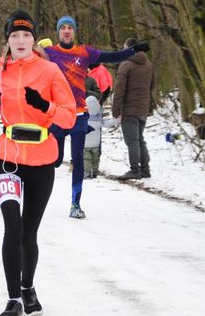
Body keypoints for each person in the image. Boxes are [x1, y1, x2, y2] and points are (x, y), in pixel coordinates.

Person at [0, 10, 75, 316]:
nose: (20, 41)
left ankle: (28, 287)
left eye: (26, 36)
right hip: (7, 159)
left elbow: (69, 116)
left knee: (28, 233)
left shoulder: (50, 71)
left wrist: (44, 105)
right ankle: (13, 298)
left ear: (34, 39)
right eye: (15, 36)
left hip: (42, 159)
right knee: (12, 228)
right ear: (7, 40)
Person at [45, 16, 149, 219]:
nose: (66, 31)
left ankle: (76, 204)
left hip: (79, 115)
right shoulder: (49, 53)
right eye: (63, 28)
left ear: (74, 32)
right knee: (54, 161)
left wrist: (133, 50)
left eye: (70, 28)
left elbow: (112, 56)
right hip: (57, 114)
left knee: (78, 159)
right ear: (58, 32)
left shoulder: (84, 52)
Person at [112, 37, 154, 180]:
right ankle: (145, 169)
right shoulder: (148, 64)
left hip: (130, 109)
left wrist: (115, 110)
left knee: (132, 141)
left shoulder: (126, 65)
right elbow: (152, 86)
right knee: (140, 138)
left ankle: (134, 170)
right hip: (143, 108)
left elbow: (119, 90)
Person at [83, 95, 118, 179]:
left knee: (87, 159)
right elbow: (107, 123)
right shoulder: (98, 120)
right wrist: (116, 120)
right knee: (96, 158)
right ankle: (95, 171)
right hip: (96, 144)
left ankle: (87, 173)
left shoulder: (83, 118)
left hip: (85, 144)